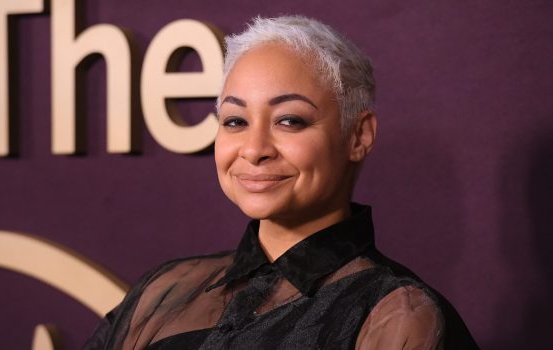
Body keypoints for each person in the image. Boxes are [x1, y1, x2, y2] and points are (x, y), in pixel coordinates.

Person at [84, 15, 479, 349]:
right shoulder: (163, 290)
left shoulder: (396, 313)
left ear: (359, 136)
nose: (254, 149)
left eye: (290, 120)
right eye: (235, 121)